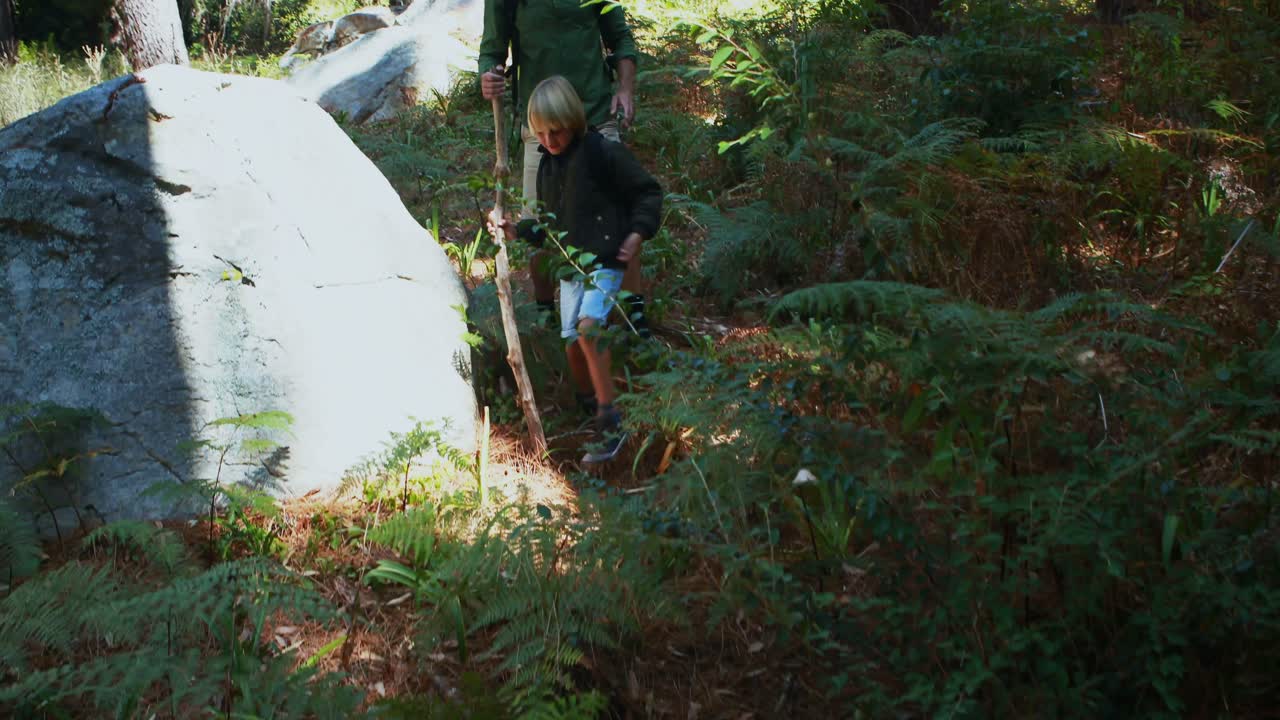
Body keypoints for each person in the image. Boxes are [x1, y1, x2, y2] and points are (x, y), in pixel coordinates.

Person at [491, 76, 662, 463]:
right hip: (571, 268)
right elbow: (551, 225)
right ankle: (591, 405)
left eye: (557, 131)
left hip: (604, 259)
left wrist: (636, 234)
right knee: (573, 346)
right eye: (541, 134)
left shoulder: (601, 152)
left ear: (573, 121)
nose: (550, 141)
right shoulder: (548, 167)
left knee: (589, 328)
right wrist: (516, 230)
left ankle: (610, 419)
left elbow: (647, 191)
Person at [478, 0, 650, 337]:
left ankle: (634, 317)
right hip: (541, 129)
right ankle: (546, 313)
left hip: (595, 115)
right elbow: (491, 52)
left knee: (621, 219)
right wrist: (488, 76)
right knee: (539, 224)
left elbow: (620, 38)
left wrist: (626, 89)